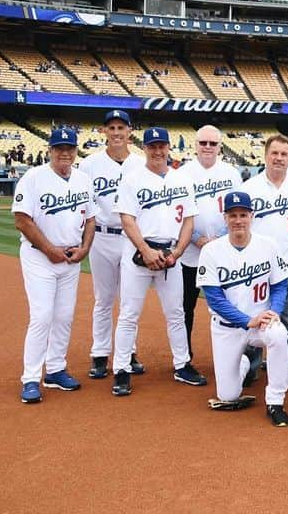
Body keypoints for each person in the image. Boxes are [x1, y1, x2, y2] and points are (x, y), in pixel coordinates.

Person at [111, 127, 205, 396]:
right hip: (139, 253)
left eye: (161, 145)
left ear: (168, 148)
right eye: (152, 146)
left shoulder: (181, 179)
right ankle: (121, 369)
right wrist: (145, 249)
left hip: (170, 254)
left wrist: (177, 252)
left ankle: (182, 364)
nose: (157, 150)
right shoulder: (132, 179)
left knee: (176, 313)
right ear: (145, 149)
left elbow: (189, 220)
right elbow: (126, 219)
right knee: (130, 313)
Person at [14, 127, 96, 403]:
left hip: (71, 258)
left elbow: (91, 219)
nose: (64, 153)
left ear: (75, 151)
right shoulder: (34, 178)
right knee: (42, 316)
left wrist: (85, 248)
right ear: (49, 150)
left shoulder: (84, 179)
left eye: (69, 148)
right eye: (59, 148)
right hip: (39, 257)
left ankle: (56, 369)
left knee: (64, 316)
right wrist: (49, 250)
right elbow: (22, 220)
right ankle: (30, 378)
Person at [197, 191, 288, 427]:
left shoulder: (268, 245)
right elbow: (215, 299)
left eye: (243, 214)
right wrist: (247, 320)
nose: (238, 220)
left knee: (279, 335)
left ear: (252, 216)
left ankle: (276, 401)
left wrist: (275, 312)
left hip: (262, 322)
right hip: (227, 327)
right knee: (227, 396)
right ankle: (245, 363)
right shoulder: (211, 251)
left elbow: (280, 285)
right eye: (233, 215)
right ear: (225, 218)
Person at [240, 135, 288, 385]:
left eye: (284, 154)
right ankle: (251, 365)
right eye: (275, 153)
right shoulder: (250, 188)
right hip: (257, 264)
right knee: (254, 313)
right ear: (265, 155)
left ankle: (286, 365)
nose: (279, 158)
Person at [78, 109, 145, 380]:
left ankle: (127, 352)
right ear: (103, 131)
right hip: (102, 237)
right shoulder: (89, 164)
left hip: (131, 238)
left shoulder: (141, 164)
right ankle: (100, 353)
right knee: (104, 299)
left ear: (130, 131)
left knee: (130, 301)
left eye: (121, 127)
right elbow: (83, 204)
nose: (116, 132)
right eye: (112, 127)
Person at [177, 125, 242, 362]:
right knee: (185, 307)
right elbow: (179, 213)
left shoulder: (231, 173)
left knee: (231, 304)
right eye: (203, 143)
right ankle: (183, 358)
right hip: (190, 253)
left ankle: (234, 356)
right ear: (195, 145)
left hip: (223, 251)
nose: (207, 147)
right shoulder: (182, 174)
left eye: (212, 144)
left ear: (220, 146)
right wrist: (197, 239)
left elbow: (237, 212)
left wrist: (220, 239)